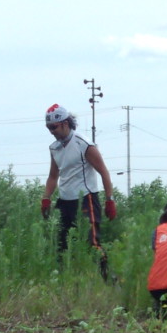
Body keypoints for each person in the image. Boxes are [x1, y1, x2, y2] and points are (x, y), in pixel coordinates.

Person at [41, 104, 117, 277]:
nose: (51, 131)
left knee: (91, 243)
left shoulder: (84, 144)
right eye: (48, 127)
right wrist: (46, 198)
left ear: (65, 123)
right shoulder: (54, 148)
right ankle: (64, 281)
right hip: (64, 201)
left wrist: (110, 200)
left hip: (86, 199)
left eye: (54, 127)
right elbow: (53, 176)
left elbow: (103, 172)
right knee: (61, 243)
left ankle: (108, 278)